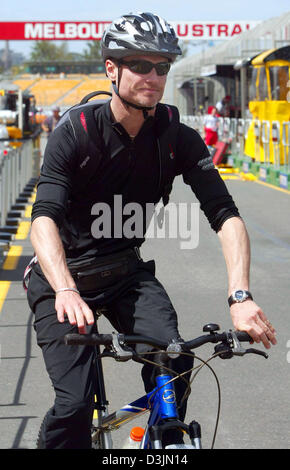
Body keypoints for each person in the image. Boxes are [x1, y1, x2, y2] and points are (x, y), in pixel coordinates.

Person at [26, 12, 277, 449]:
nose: (153, 76)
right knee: (74, 406)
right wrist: (65, 289)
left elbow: (225, 214)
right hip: (60, 277)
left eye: (161, 66)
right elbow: (43, 217)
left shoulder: (177, 137)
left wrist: (241, 296)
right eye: (140, 65)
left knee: (176, 366)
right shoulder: (77, 132)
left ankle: (151, 441)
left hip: (125, 272)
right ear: (111, 68)